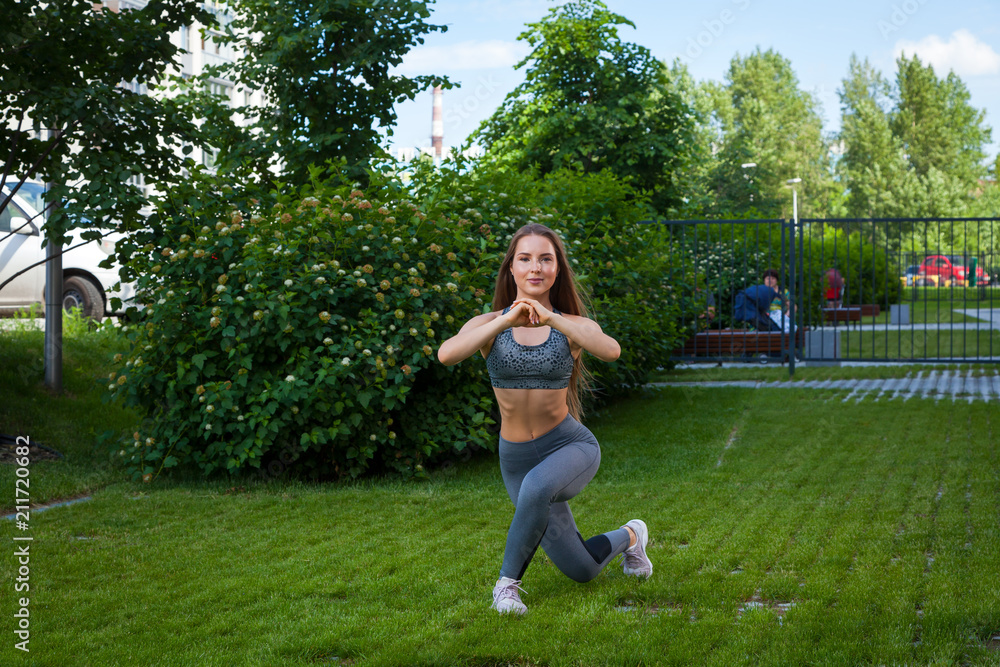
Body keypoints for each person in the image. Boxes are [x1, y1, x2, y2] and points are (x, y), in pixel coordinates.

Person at [437, 223, 653, 616]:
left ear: (557, 270)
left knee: (538, 487)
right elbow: (446, 354)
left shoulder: (570, 325)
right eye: (525, 258)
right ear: (511, 269)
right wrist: (506, 320)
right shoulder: (488, 325)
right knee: (582, 569)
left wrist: (552, 320)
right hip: (516, 458)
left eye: (545, 259)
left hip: (570, 446)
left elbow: (611, 350)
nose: (535, 267)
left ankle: (506, 587)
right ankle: (632, 536)